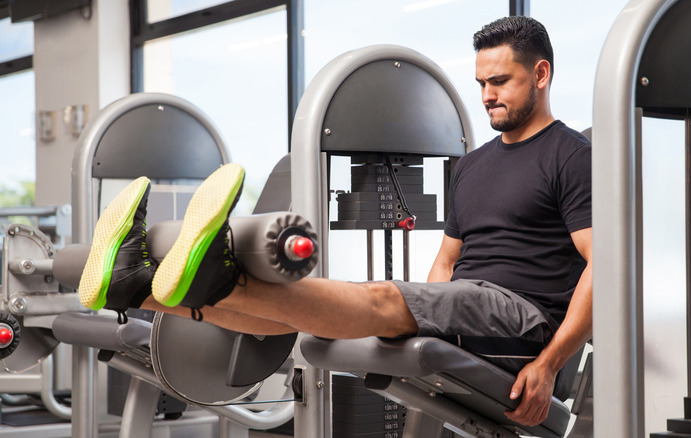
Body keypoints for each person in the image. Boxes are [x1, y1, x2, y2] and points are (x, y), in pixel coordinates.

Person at [77, 16, 591, 427]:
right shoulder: (476, 163)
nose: (486, 96)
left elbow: (602, 268)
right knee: (312, 313)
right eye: (480, 83)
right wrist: (432, 319)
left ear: (541, 75)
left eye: (500, 82)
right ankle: (137, 289)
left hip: (522, 323)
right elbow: (448, 261)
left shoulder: (572, 156)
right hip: (467, 309)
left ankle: (213, 272)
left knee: (379, 297)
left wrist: (549, 363)